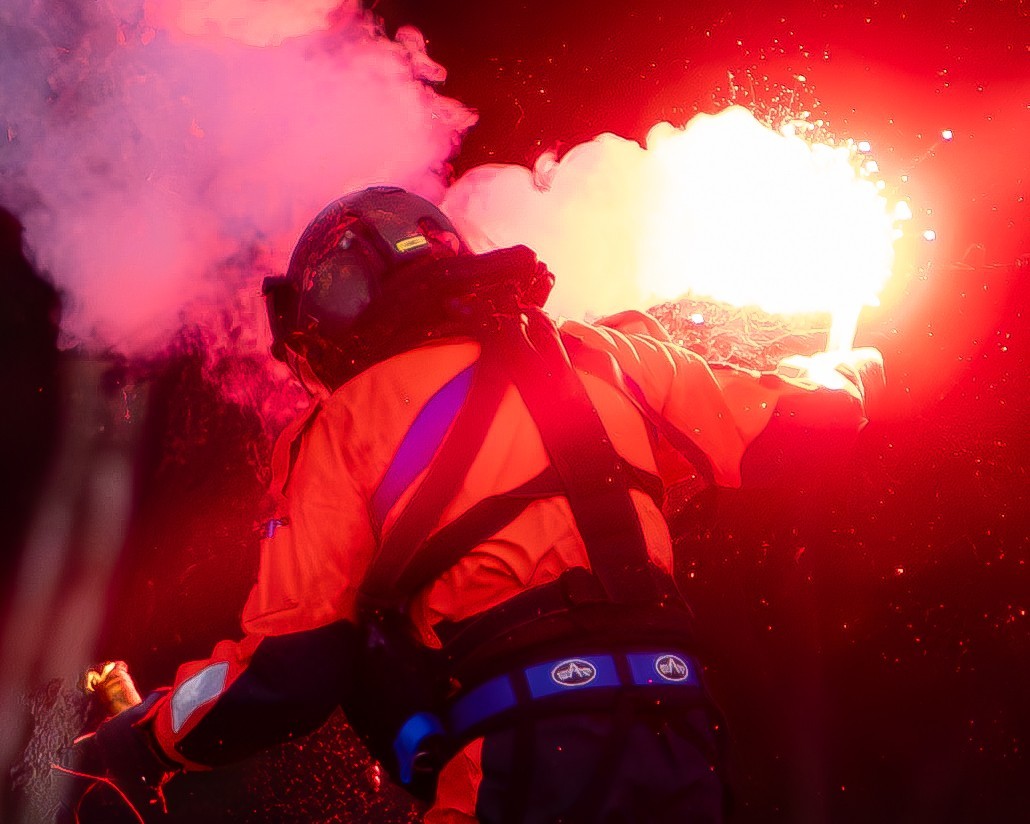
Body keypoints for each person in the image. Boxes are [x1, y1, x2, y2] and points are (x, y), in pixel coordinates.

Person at [60, 186, 882, 823]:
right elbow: (796, 434)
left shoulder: (340, 425)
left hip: (525, 753)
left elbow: (290, 670)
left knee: (367, 634)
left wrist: (143, 740)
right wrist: (842, 380)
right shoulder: (607, 355)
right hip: (681, 739)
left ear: (334, 310)